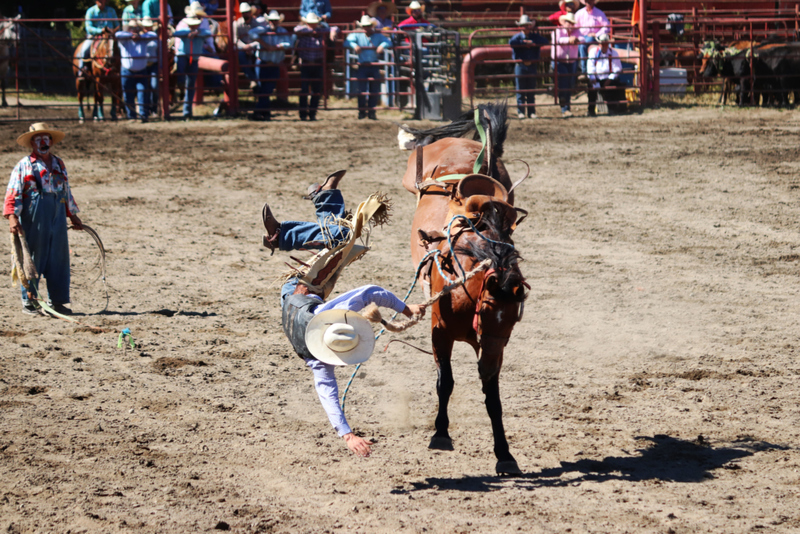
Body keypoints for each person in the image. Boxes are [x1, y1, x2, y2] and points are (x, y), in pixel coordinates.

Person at [261, 171, 426, 457]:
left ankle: (282, 235)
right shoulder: (316, 359)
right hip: (301, 298)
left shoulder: (330, 315)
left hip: (302, 287)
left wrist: (406, 308)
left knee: (343, 237)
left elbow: (372, 291)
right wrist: (346, 434)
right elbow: (328, 396)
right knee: (346, 238)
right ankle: (322, 196)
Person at [4, 124, 83, 316]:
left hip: (57, 214)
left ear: (51, 141)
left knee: (59, 257)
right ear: (32, 143)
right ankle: (30, 301)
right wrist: (13, 217)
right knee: (33, 257)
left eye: (46, 138)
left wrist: (72, 214)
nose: (43, 142)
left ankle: (58, 301)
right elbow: (13, 192)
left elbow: (65, 190)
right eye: (38, 139)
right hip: (34, 214)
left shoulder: (59, 164)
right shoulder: (23, 165)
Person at [249, 10, 295, 121]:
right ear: (268, 21)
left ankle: (259, 112)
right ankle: (264, 113)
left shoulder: (281, 31)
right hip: (263, 63)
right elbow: (251, 34)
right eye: (272, 20)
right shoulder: (263, 30)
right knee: (264, 89)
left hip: (273, 64)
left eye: (275, 20)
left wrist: (274, 47)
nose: (273, 22)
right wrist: (264, 44)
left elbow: (289, 44)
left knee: (267, 89)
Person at [346, 15, 392, 120]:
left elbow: (388, 41)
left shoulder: (377, 35)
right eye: (365, 26)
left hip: (374, 65)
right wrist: (354, 45)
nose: (366, 28)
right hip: (363, 65)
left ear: (371, 26)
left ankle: (371, 111)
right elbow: (347, 42)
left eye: (368, 26)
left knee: (374, 90)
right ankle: (362, 111)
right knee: (361, 90)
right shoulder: (357, 35)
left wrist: (382, 45)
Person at [294, 12, 334, 121]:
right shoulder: (303, 31)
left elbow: (333, 29)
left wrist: (328, 32)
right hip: (306, 64)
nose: (313, 25)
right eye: (311, 23)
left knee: (316, 90)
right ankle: (303, 113)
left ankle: (312, 113)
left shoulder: (321, 31)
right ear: (306, 23)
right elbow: (296, 29)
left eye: (314, 23)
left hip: (317, 63)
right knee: (304, 89)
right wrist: (311, 31)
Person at [509, 14, 548, 120]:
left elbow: (545, 41)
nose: (525, 27)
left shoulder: (534, 37)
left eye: (527, 25)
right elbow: (511, 42)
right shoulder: (517, 37)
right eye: (524, 25)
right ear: (520, 26)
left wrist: (533, 43)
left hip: (531, 65)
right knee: (520, 90)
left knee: (531, 90)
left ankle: (531, 111)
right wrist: (523, 43)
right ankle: (521, 111)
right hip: (520, 65)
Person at [116, 19, 157, 121]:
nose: (135, 30)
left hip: (141, 71)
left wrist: (140, 36)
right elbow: (117, 34)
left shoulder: (143, 39)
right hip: (127, 71)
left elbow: (153, 35)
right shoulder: (124, 39)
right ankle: (131, 116)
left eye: (137, 28)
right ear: (129, 29)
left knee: (142, 92)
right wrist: (130, 35)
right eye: (132, 28)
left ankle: (143, 115)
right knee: (127, 94)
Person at [173, 17, 212, 119]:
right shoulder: (184, 31)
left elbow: (208, 33)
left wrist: (197, 33)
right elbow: (176, 34)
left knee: (191, 85)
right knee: (181, 73)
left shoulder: (202, 32)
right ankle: (180, 82)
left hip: (193, 59)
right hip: (183, 57)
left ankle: (187, 111)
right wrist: (188, 33)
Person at [552, 13, 583, 118]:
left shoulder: (576, 32)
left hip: (571, 61)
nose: (569, 24)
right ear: (564, 23)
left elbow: (583, 39)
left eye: (571, 23)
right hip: (560, 61)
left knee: (569, 84)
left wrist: (576, 39)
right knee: (564, 83)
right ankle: (565, 108)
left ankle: (566, 107)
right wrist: (570, 40)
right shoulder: (558, 31)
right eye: (567, 22)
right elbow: (558, 40)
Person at [587, 33, 626, 115]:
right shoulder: (593, 52)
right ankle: (591, 110)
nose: (604, 46)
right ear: (599, 43)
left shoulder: (613, 53)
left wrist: (610, 78)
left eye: (605, 43)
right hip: (596, 77)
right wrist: (593, 78)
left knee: (612, 86)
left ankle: (612, 109)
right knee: (591, 88)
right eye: (602, 43)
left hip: (608, 77)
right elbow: (590, 66)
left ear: (608, 44)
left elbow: (618, 68)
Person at [78, 0, 119, 74]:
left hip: (110, 37)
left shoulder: (111, 11)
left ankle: (121, 68)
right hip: (94, 36)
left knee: (120, 49)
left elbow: (117, 25)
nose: (101, 1)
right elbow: (88, 28)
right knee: (84, 50)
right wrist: (100, 31)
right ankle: (83, 68)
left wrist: (114, 31)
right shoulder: (91, 11)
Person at [574, 0, 609, 74]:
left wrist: (596, 34)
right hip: (581, 36)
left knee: (582, 45)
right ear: (585, 2)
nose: (588, 3)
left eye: (590, 1)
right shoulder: (579, 13)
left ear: (594, 2)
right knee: (580, 45)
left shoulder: (599, 13)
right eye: (587, 1)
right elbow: (575, 27)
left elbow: (607, 27)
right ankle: (580, 69)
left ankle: (583, 70)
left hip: (593, 38)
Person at [234, 2, 259, 84]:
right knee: (241, 55)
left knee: (259, 57)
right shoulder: (237, 24)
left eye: (247, 12)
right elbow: (235, 40)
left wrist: (250, 46)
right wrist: (245, 47)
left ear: (250, 12)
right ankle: (253, 79)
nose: (245, 14)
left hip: (254, 47)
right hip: (242, 47)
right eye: (243, 13)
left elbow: (259, 39)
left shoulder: (256, 24)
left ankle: (255, 80)